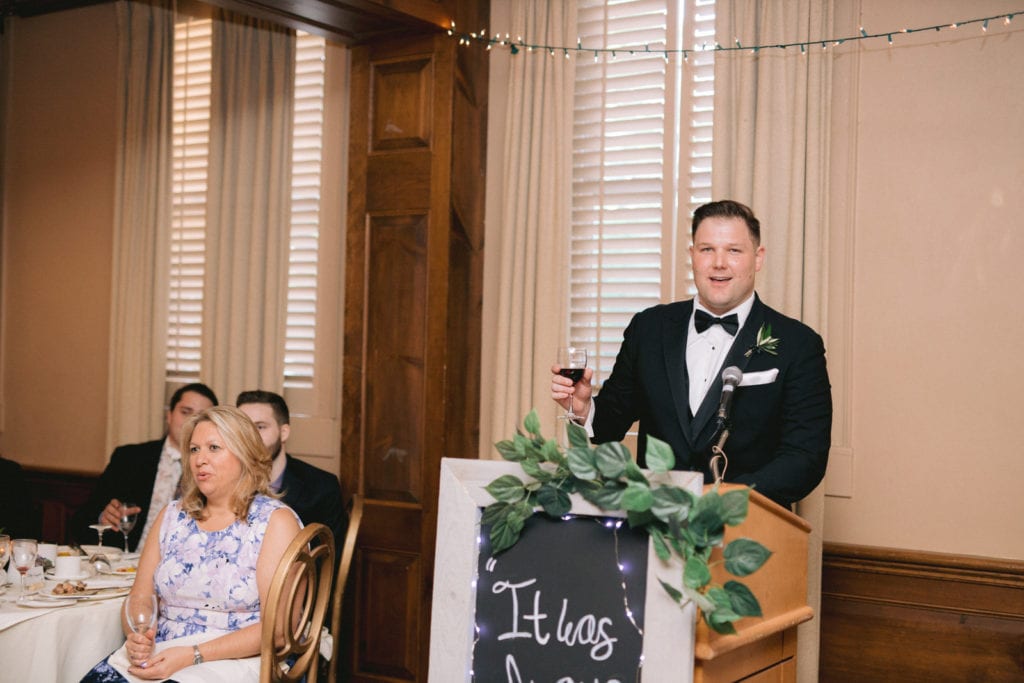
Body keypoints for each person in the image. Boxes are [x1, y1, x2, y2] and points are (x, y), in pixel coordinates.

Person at [551, 199, 832, 508]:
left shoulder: (798, 344)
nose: (719, 263)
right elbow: (608, 426)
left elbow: (805, 459)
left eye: (734, 251)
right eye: (707, 249)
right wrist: (582, 406)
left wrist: (725, 500)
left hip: (746, 531)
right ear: (693, 256)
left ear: (758, 257)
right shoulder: (649, 328)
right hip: (654, 525)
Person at [81, 405, 302, 682]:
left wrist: (192, 654)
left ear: (245, 454)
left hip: (241, 659)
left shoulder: (274, 522)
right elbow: (139, 598)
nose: (199, 460)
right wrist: (139, 635)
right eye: (194, 450)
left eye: (213, 448)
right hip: (164, 649)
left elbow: (279, 629)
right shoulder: (172, 515)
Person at [70, 383, 218, 551]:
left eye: (201, 417)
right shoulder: (129, 458)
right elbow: (81, 521)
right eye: (185, 412)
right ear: (169, 415)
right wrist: (104, 517)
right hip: (126, 566)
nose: (191, 421)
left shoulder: (216, 468)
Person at [236, 390, 346, 545]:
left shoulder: (322, 487)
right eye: (243, 427)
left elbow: (330, 558)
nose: (250, 436)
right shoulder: (224, 481)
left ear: (284, 432)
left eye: (260, 427)